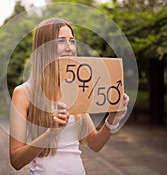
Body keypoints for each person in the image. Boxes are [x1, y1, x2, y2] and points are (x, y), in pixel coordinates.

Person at [9, 18, 129, 174]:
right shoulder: (23, 93)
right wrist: (51, 134)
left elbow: (95, 143)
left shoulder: (76, 89)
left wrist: (113, 118)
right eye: (60, 41)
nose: (69, 48)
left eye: (72, 41)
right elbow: (16, 161)